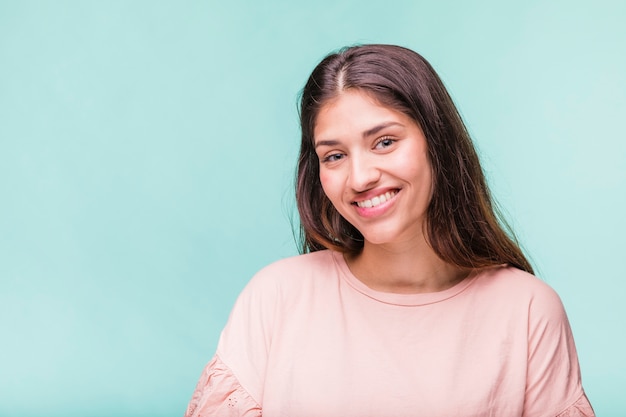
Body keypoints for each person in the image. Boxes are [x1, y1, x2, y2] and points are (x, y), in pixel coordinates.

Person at [184, 44, 594, 416]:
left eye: (384, 142)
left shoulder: (527, 310)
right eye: (335, 155)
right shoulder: (275, 297)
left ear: (437, 143)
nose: (360, 177)